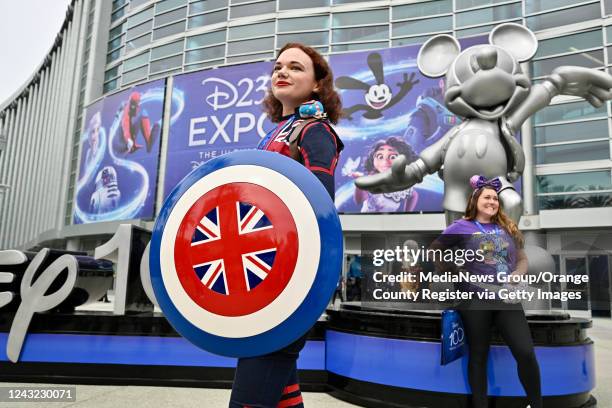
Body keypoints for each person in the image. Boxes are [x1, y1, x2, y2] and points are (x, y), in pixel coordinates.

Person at [229, 43, 343, 408]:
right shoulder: (276, 133)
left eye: (296, 67)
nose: (282, 72)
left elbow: (318, 208)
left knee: (251, 396)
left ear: (316, 85)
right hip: (265, 275)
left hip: (290, 279)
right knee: (280, 391)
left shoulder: (314, 130)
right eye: (279, 66)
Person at [440, 175, 542, 408]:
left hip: (507, 300)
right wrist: (455, 271)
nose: (492, 202)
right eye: (487, 197)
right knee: (478, 356)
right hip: (475, 301)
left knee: (525, 352)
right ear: (475, 200)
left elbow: (523, 260)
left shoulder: (506, 227)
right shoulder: (460, 226)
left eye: (495, 198)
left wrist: (517, 275)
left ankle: (536, 405)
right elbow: (436, 251)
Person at [345, 136, 419, 212]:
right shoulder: (373, 179)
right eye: (380, 157)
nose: (384, 162)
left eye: (392, 157)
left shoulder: (403, 183)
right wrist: (360, 184)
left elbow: (413, 195)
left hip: (391, 222)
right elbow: (359, 200)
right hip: (368, 221)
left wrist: (407, 213)